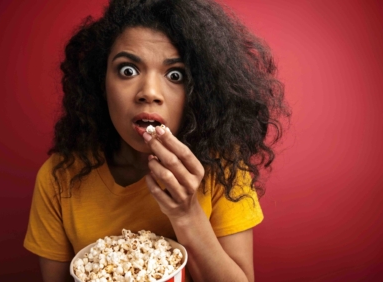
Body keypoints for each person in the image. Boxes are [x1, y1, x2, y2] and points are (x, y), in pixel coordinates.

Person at [24, 0, 289, 281]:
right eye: (128, 70)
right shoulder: (59, 177)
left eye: (175, 75)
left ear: (200, 93)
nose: (149, 93)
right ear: (100, 83)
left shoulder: (224, 168)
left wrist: (187, 213)